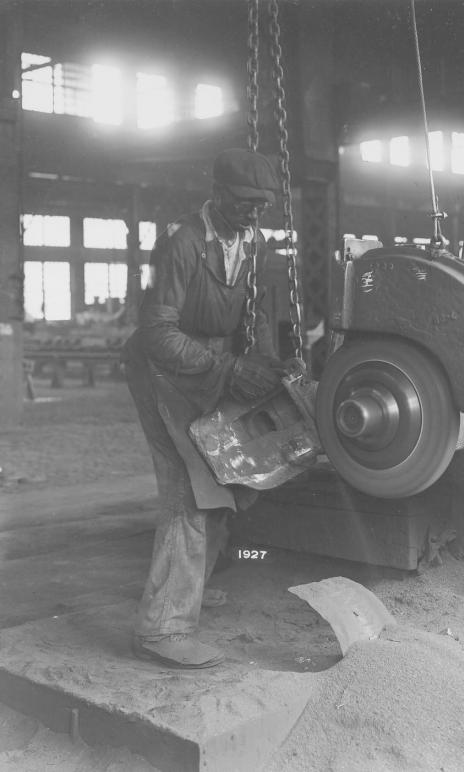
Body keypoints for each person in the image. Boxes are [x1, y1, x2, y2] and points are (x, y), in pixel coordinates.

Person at [123, 148, 283, 668]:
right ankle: (163, 628)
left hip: (209, 369)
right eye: (244, 202)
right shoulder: (182, 242)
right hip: (162, 371)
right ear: (218, 192)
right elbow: (156, 335)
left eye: (263, 205)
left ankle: (187, 588)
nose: (254, 213)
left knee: (232, 481)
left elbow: (255, 322)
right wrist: (232, 371)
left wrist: (274, 368)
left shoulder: (252, 243)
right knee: (188, 491)